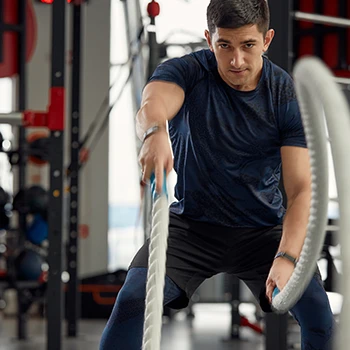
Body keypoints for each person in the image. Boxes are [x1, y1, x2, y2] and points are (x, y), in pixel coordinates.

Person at [100, 0, 335, 349]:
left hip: (264, 232)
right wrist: (154, 132)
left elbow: (301, 189)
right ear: (209, 39)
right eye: (225, 45)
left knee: (319, 317)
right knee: (134, 300)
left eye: (248, 46)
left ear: (266, 40)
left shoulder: (284, 93)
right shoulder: (189, 72)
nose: (236, 60)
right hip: (192, 228)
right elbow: (153, 103)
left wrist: (286, 257)